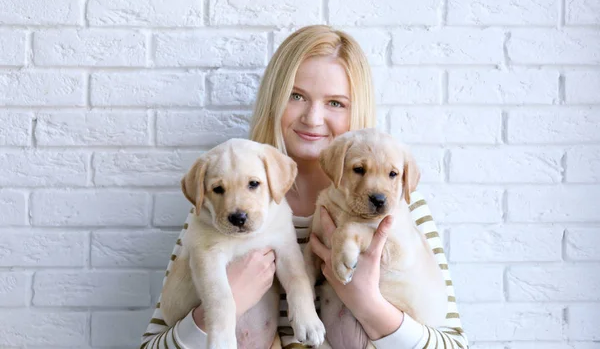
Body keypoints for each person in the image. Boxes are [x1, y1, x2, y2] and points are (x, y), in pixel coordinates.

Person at [140, 25, 469, 349]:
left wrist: (367, 302)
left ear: (357, 109)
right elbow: (151, 345)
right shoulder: (221, 205)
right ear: (274, 101)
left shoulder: (392, 203)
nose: (313, 118)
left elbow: (454, 344)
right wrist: (221, 309)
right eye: (296, 96)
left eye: (336, 103)